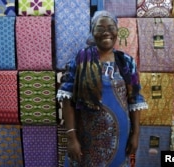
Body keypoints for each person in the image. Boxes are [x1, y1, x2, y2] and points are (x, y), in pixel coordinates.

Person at [56, 10, 148, 167]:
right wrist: (71, 138)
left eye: (111, 27)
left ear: (117, 30)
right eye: (100, 28)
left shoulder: (126, 62)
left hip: (119, 140)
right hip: (86, 139)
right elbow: (66, 100)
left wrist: (136, 134)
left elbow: (134, 99)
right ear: (93, 31)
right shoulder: (80, 61)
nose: (106, 32)